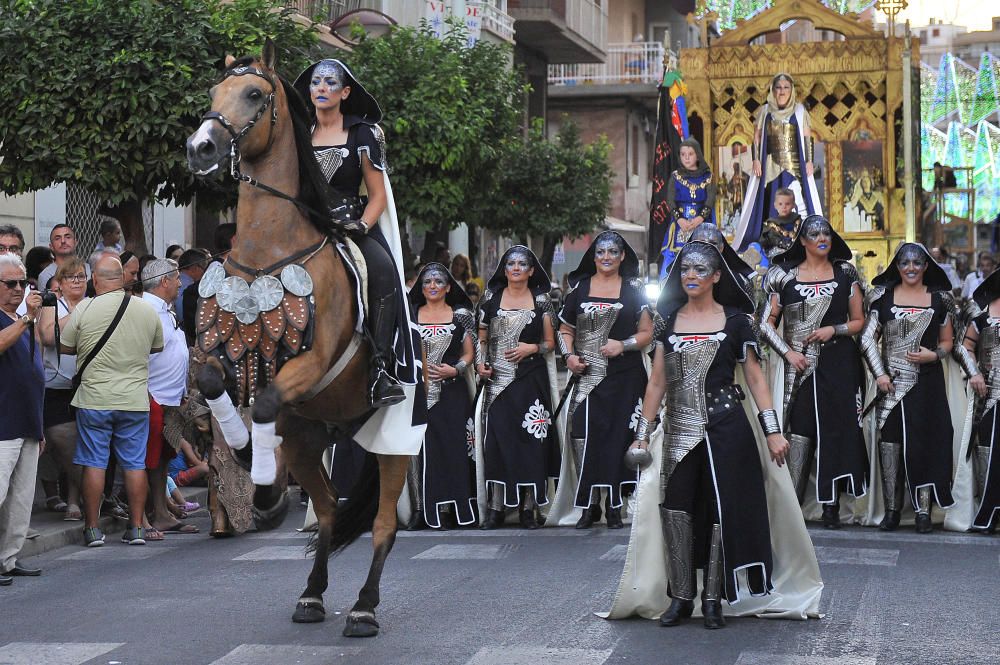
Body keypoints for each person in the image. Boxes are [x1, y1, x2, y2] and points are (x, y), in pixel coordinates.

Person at [607, 241, 820, 628]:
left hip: (728, 426)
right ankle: (681, 596)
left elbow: (754, 377)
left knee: (722, 509)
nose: (691, 275)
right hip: (679, 428)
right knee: (676, 507)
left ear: (716, 276)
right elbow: (656, 383)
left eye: (700, 270)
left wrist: (772, 431)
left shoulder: (738, 321)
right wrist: (643, 433)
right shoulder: (666, 320)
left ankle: (713, 599)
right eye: (686, 269)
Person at [294, 58, 420, 407]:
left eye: (330, 83)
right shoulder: (299, 132)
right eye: (316, 82)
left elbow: (378, 195)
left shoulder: (364, 134)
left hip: (352, 224)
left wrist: (362, 225)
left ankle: (380, 367)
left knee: (383, 272)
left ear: (345, 92)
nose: (321, 88)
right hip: (305, 225)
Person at [759, 216, 868, 528]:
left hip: (841, 364)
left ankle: (832, 506)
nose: (822, 237)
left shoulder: (845, 273)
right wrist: (788, 352)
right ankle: (791, 504)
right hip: (800, 366)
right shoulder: (782, 276)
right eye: (814, 233)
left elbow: (859, 321)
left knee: (838, 430)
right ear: (802, 241)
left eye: (826, 232)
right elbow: (766, 325)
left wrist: (834, 329)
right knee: (800, 429)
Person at [60, 255, 164, 547]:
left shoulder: (86, 308)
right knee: (134, 464)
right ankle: (136, 529)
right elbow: (156, 346)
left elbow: (65, 345)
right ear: (123, 278)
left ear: (95, 280)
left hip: (94, 399)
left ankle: (92, 529)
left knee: (94, 462)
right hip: (133, 400)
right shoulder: (145, 309)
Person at [555, 231, 652, 529]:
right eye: (601, 252)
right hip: (587, 378)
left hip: (625, 378)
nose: (606, 257)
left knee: (618, 439)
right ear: (593, 256)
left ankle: (614, 505)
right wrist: (569, 357)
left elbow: (648, 333)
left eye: (613, 252)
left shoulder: (635, 291)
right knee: (583, 435)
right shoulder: (579, 290)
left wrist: (623, 345)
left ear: (623, 256)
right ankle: (588, 505)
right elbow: (564, 330)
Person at [860, 243, 957, 533]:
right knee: (889, 443)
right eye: (905, 263)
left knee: (925, 442)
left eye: (917, 262)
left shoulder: (940, 300)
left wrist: (934, 355)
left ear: (927, 266)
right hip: (890, 384)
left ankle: (923, 513)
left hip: (928, 383)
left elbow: (948, 342)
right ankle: (891, 510)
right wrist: (879, 375)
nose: (911, 268)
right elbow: (866, 339)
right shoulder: (881, 298)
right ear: (897, 266)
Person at [475, 245, 559, 529]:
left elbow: (551, 343)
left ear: (531, 270)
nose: (515, 267)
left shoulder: (542, 301)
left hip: (531, 382)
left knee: (531, 445)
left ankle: (528, 508)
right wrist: (480, 365)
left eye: (522, 264)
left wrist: (532, 347)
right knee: (497, 444)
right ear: (504, 268)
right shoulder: (490, 298)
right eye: (510, 263)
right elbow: (481, 338)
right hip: (497, 382)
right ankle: (496, 509)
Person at [407, 263, 477, 529]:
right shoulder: (411, 315)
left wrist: (455, 369)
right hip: (418, 395)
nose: (432, 286)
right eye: (427, 282)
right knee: (420, 450)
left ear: (449, 287)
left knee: (455, 449)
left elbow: (469, 354)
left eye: (438, 281)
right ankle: (420, 509)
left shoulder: (460, 316)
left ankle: (456, 509)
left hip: (453, 394)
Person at [733, 73, 823, 252]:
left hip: (794, 167)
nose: (782, 91)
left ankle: (800, 244)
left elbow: (806, 138)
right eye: (778, 88)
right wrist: (756, 160)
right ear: (773, 90)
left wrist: (809, 161)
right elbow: (757, 138)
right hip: (771, 167)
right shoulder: (765, 111)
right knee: (772, 206)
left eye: (786, 87)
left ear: (791, 90)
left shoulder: (799, 111)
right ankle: (771, 246)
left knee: (798, 205)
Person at [141, 258, 198, 535]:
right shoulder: (145, 309)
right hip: (153, 396)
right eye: (176, 278)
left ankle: (161, 511)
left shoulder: (166, 309)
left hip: (171, 397)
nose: (179, 282)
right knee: (149, 459)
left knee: (163, 458)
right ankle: (152, 513)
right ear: (164, 281)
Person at [0, 253, 45, 584]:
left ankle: (8, 559)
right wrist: (27, 319)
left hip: (27, 422)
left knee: (20, 500)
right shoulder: (18, 321)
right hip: (3, 423)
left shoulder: (20, 319)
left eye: (23, 283)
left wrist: (39, 425)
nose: (19, 289)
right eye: (10, 283)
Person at [37, 258, 89, 522]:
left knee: (84, 443)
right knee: (62, 441)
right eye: (71, 277)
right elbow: (47, 336)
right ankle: (95, 495)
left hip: (88, 385)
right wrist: (78, 313)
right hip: (56, 386)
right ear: (59, 283)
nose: (77, 281)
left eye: (81, 276)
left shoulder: (94, 305)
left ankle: (74, 499)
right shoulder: (52, 305)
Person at [956, 268, 1000, 532]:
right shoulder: (980, 311)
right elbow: (964, 346)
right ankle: (989, 510)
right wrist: (974, 373)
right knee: (986, 446)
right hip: (988, 391)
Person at [660, 138, 717, 275]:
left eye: (690, 154)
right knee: (674, 260)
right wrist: (680, 219)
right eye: (683, 154)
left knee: (704, 258)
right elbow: (670, 200)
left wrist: (699, 219)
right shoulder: (675, 176)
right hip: (680, 224)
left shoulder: (708, 176)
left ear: (697, 155)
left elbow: (710, 200)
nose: (686, 157)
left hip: (702, 225)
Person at [38, 224, 91, 291]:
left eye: (68, 237)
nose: (63, 241)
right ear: (51, 246)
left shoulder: (88, 268)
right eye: (57, 238)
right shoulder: (45, 275)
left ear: (75, 242)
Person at [759, 188, 802, 259]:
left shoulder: (798, 220)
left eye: (787, 204)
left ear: (793, 205)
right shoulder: (771, 223)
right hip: (776, 252)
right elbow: (764, 241)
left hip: (795, 252)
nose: (784, 207)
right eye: (780, 204)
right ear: (775, 205)